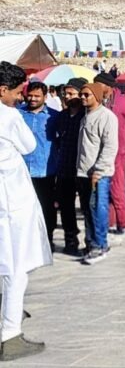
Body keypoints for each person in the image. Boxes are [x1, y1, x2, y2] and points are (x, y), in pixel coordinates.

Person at [0, 63, 51, 361]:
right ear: (3, 90)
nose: (21, 98)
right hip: (11, 201)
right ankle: (10, 333)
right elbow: (30, 145)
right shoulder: (8, 116)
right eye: (18, 92)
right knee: (16, 268)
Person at [76, 82, 118, 264]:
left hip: (98, 174)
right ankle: (91, 243)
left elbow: (110, 146)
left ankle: (99, 245)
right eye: (82, 94)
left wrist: (99, 170)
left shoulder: (107, 117)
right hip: (83, 172)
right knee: (87, 210)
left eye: (87, 95)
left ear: (97, 96)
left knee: (97, 209)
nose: (83, 98)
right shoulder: (85, 116)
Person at [95, 71, 125, 237]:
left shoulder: (123, 102)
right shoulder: (97, 101)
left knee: (118, 189)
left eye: (98, 84)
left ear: (108, 86)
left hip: (119, 152)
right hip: (100, 152)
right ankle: (108, 222)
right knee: (103, 189)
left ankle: (122, 223)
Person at [18, 81, 59, 251]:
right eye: (30, 95)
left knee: (47, 207)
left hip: (45, 170)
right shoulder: (18, 114)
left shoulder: (54, 116)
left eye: (37, 96)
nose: (33, 99)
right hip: (22, 170)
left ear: (45, 97)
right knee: (24, 209)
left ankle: (47, 239)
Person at [53, 79, 86, 255]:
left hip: (82, 168)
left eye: (71, 93)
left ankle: (92, 241)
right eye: (65, 93)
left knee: (87, 207)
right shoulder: (62, 116)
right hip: (64, 167)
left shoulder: (86, 116)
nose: (67, 97)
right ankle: (70, 240)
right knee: (66, 207)